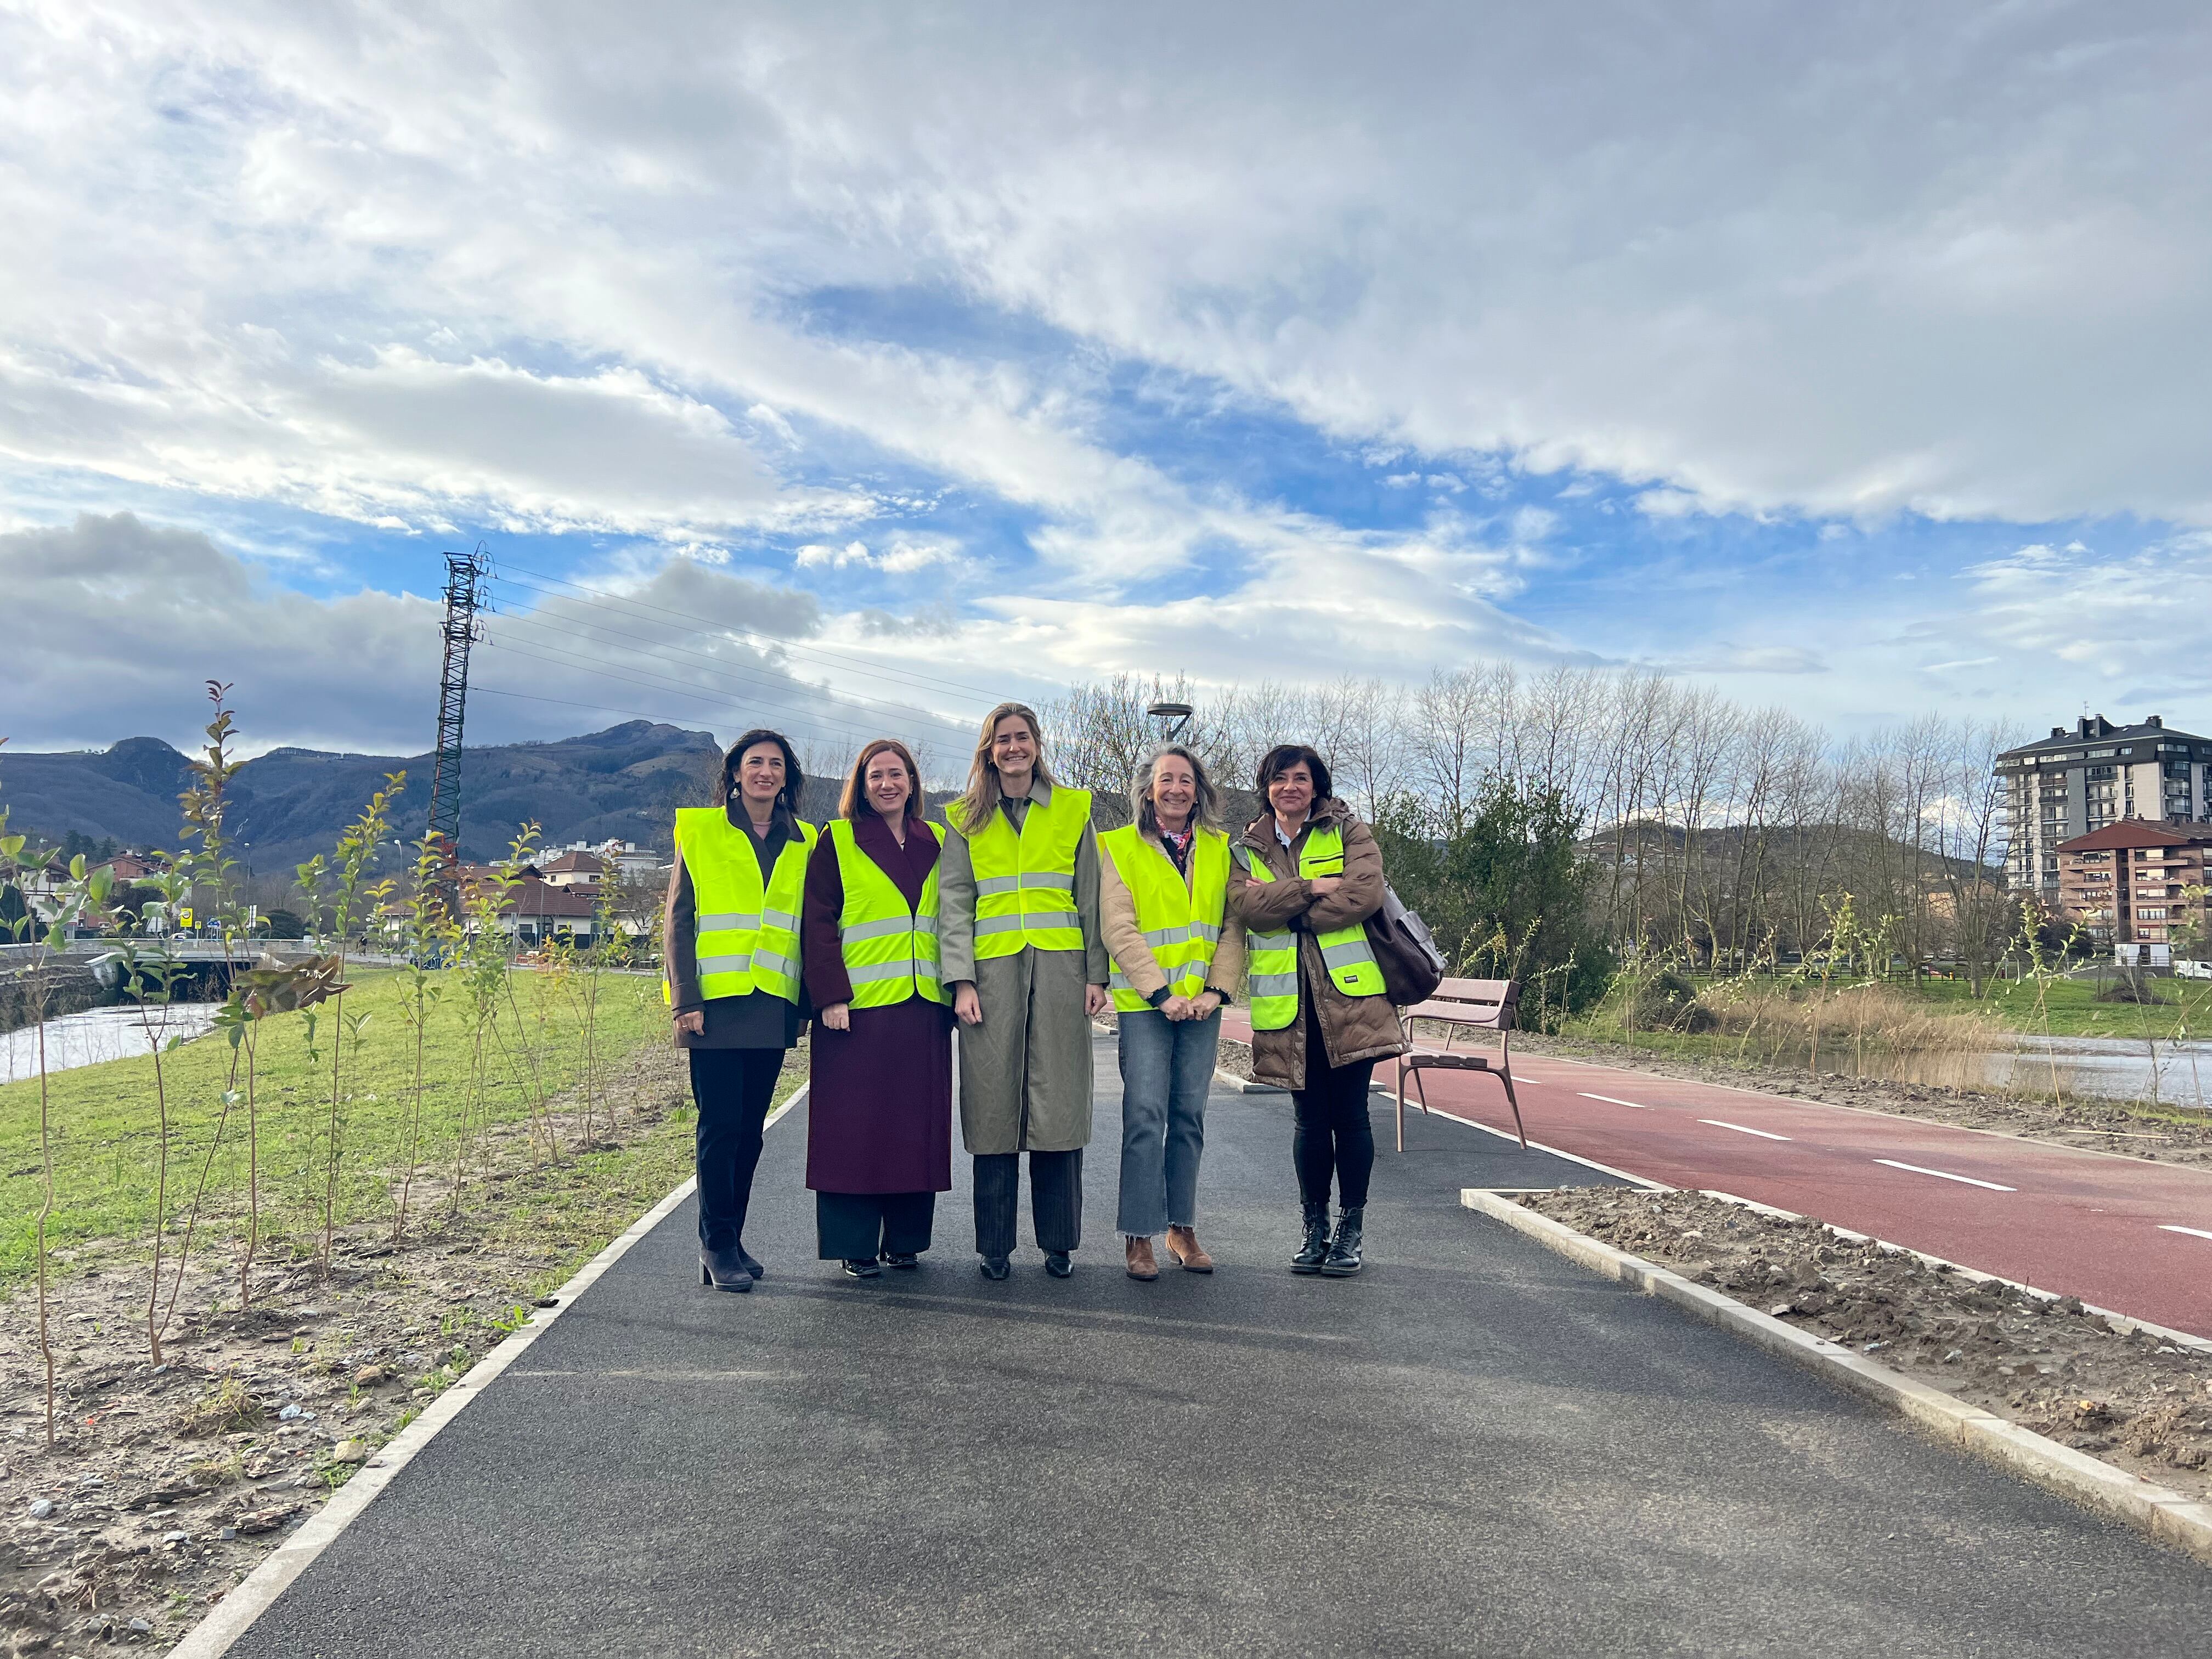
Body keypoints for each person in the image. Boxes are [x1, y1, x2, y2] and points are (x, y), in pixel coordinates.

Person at [937, 702, 1110, 1280]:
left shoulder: (1072, 810)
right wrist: (960, 981)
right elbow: (955, 904)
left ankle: (1058, 1243)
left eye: (1023, 738)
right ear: (988, 749)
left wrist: (1096, 973)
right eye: (1003, 740)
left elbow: (1091, 896)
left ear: (1037, 744)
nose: (1014, 748)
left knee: (1057, 1105)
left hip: (1061, 973)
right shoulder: (964, 818)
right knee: (992, 1108)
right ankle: (994, 1247)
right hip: (990, 980)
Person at [1228, 744, 1404, 1278]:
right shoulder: (1246, 847)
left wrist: (1292, 911)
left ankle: (1351, 1229)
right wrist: (1309, 886)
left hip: (1351, 1000)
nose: (1290, 788)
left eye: (1301, 778)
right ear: (1267, 786)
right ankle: (1315, 1228)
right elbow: (1246, 907)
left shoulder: (1348, 831)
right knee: (1308, 1122)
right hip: (1289, 1008)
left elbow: (1364, 894)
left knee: (1350, 1117)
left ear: (1316, 785)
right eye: (1280, 779)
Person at [664, 728, 816, 1292]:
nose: (766, 772)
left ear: (787, 778)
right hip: (715, 1007)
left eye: (777, 764)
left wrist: (801, 1004)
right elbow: (679, 919)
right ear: (734, 772)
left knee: (751, 1131)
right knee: (720, 1128)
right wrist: (686, 999)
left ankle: (732, 1236)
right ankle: (715, 1244)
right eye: (756, 762)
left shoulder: (804, 839)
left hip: (772, 1004)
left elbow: (804, 928)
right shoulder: (701, 831)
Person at [800, 738, 954, 1279]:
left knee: (917, 1127)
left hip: (924, 1007)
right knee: (855, 1130)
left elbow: (955, 918)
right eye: (875, 777)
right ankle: (856, 1244)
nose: (887, 784)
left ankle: (907, 1240)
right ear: (861, 787)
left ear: (913, 781)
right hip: (857, 1012)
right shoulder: (838, 840)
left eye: (896, 774)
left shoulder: (937, 838)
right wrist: (831, 996)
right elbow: (817, 924)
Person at [1099, 746, 1243, 1280]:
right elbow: (1119, 927)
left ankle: (1181, 1228)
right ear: (1148, 789)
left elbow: (1231, 927)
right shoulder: (1118, 847)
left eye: (1186, 780)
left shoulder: (1224, 849)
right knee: (1144, 1120)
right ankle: (1139, 1237)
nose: (1177, 788)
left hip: (1202, 1009)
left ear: (1199, 789)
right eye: (1166, 780)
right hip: (1145, 1007)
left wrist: (1217, 993)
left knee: (1189, 1119)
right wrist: (1162, 994)